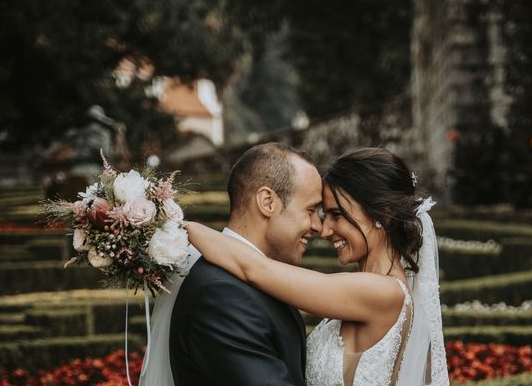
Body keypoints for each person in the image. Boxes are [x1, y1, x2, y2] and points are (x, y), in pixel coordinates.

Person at [186, 147, 449, 386]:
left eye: (336, 215)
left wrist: (178, 227)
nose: (324, 229)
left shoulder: (382, 292)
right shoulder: (369, 292)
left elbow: (255, 269)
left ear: (383, 214)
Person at [165, 142, 323, 385]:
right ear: (268, 202)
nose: (318, 226)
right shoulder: (222, 295)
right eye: (310, 210)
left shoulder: (259, 279)